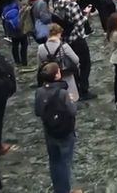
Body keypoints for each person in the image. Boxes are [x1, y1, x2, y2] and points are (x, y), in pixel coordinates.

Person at [34, 62, 81, 193]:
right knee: (65, 162)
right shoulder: (63, 93)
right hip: (65, 131)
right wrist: (71, 101)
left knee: (54, 161)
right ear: (56, 75)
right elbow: (72, 111)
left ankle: (58, 189)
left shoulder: (39, 91)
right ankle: (65, 190)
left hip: (49, 131)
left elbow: (38, 111)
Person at [53, 0, 96, 100]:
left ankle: (76, 87)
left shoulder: (58, 3)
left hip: (65, 39)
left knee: (73, 65)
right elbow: (79, 22)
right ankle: (84, 89)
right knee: (85, 64)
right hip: (77, 39)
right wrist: (86, 14)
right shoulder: (73, 5)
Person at [37, 24, 80, 102]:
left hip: (50, 80)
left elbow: (40, 65)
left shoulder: (41, 48)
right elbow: (76, 60)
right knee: (70, 100)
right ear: (58, 33)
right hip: (66, 77)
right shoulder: (64, 47)